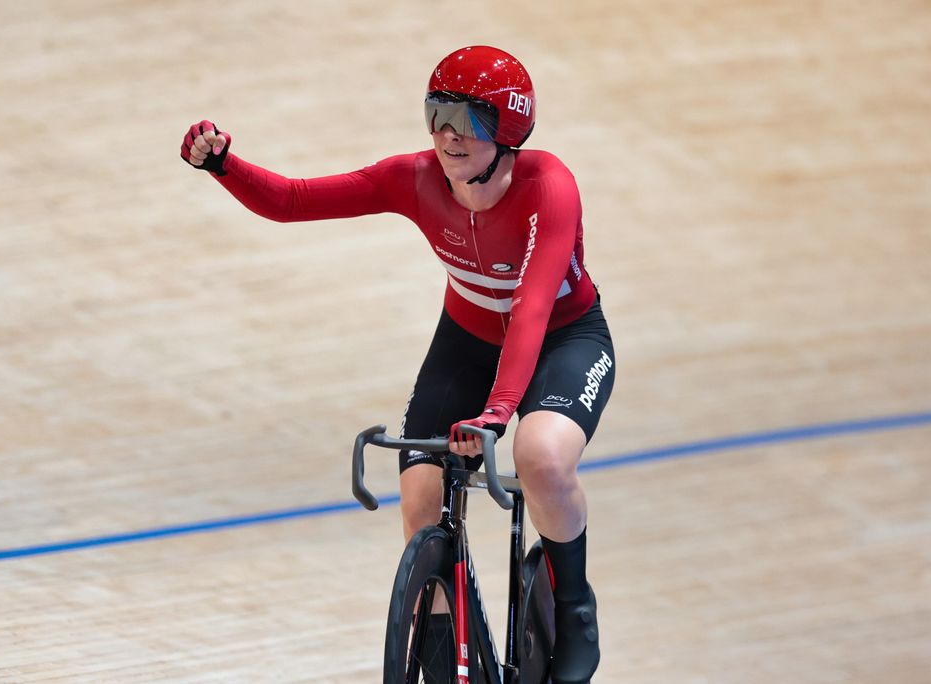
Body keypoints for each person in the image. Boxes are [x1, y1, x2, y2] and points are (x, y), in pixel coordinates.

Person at [181, 45, 615, 683]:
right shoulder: (413, 178)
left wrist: (498, 414)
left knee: (541, 457)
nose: (446, 134)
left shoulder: (549, 186)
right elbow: (296, 201)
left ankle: (574, 603)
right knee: (421, 500)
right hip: (465, 340)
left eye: (466, 119)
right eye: (436, 114)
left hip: (562, 338)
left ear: (509, 127)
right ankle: (441, 647)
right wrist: (223, 164)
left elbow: (528, 312)